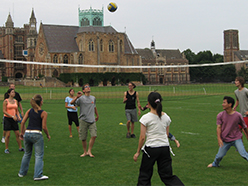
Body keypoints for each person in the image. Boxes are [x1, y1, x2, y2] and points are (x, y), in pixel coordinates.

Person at [133, 92, 184, 186]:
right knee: (167, 176)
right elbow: (167, 134)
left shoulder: (145, 118)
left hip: (151, 149)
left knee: (145, 176)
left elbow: (142, 137)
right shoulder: (166, 117)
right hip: (165, 148)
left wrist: (137, 152)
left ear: (148, 103)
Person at [207, 96, 248, 168]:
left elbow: (244, 127)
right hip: (225, 139)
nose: (222, 104)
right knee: (219, 156)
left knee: (243, 154)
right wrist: (219, 139)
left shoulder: (238, 115)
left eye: (224, 103)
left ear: (230, 104)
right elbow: (218, 128)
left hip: (236, 138)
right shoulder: (220, 115)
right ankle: (215, 164)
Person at [18, 94, 51, 181]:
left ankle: (22, 172)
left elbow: (22, 122)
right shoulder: (43, 113)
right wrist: (48, 135)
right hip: (36, 134)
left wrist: (22, 133)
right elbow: (44, 127)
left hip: (27, 133)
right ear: (41, 102)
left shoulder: (29, 111)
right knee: (39, 155)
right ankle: (38, 175)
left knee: (27, 154)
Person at [70, 83, 99, 158]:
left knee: (94, 135)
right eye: (86, 87)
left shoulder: (93, 98)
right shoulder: (81, 98)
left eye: (89, 86)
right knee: (83, 138)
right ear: (83, 90)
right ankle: (85, 152)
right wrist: (77, 97)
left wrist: (97, 115)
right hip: (83, 120)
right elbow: (71, 103)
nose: (88, 88)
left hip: (92, 120)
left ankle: (89, 150)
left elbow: (94, 107)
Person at [3, 89, 24, 153]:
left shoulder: (15, 101)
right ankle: (6, 149)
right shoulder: (5, 101)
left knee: (17, 134)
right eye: (12, 92)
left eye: (14, 92)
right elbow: (4, 111)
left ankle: (20, 147)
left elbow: (16, 110)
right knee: (8, 135)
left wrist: (18, 116)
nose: (13, 93)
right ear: (9, 94)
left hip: (14, 119)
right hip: (8, 119)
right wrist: (12, 116)